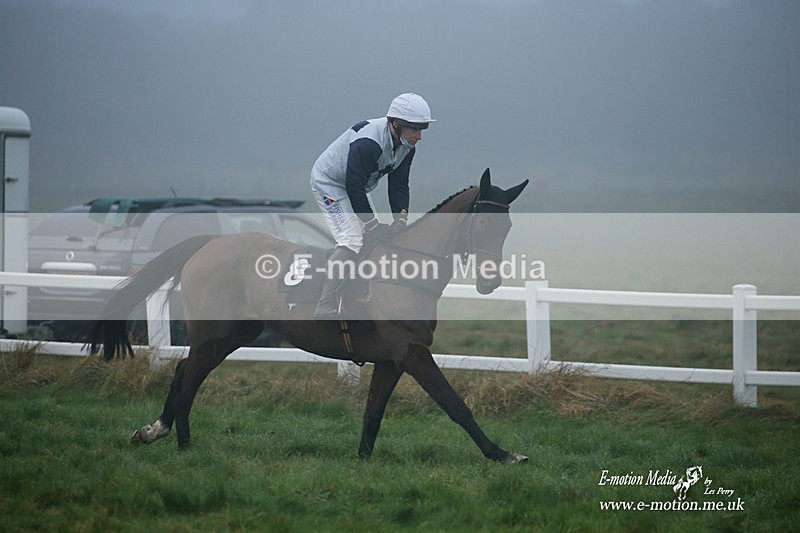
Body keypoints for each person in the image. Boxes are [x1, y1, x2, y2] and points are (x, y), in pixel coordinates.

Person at [310, 93, 435, 319]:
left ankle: (357, 290)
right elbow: (353, 186)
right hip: (330, 183)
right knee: (352, 239)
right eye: (414, 129)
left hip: (355, 185)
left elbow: (399, 186)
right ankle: (325, 303)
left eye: (422, 129)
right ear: (396, 125)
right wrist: (373, 223)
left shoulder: (407, 146)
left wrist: (400, 219)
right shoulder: (369, 144)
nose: (419, 136)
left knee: (372, 236)